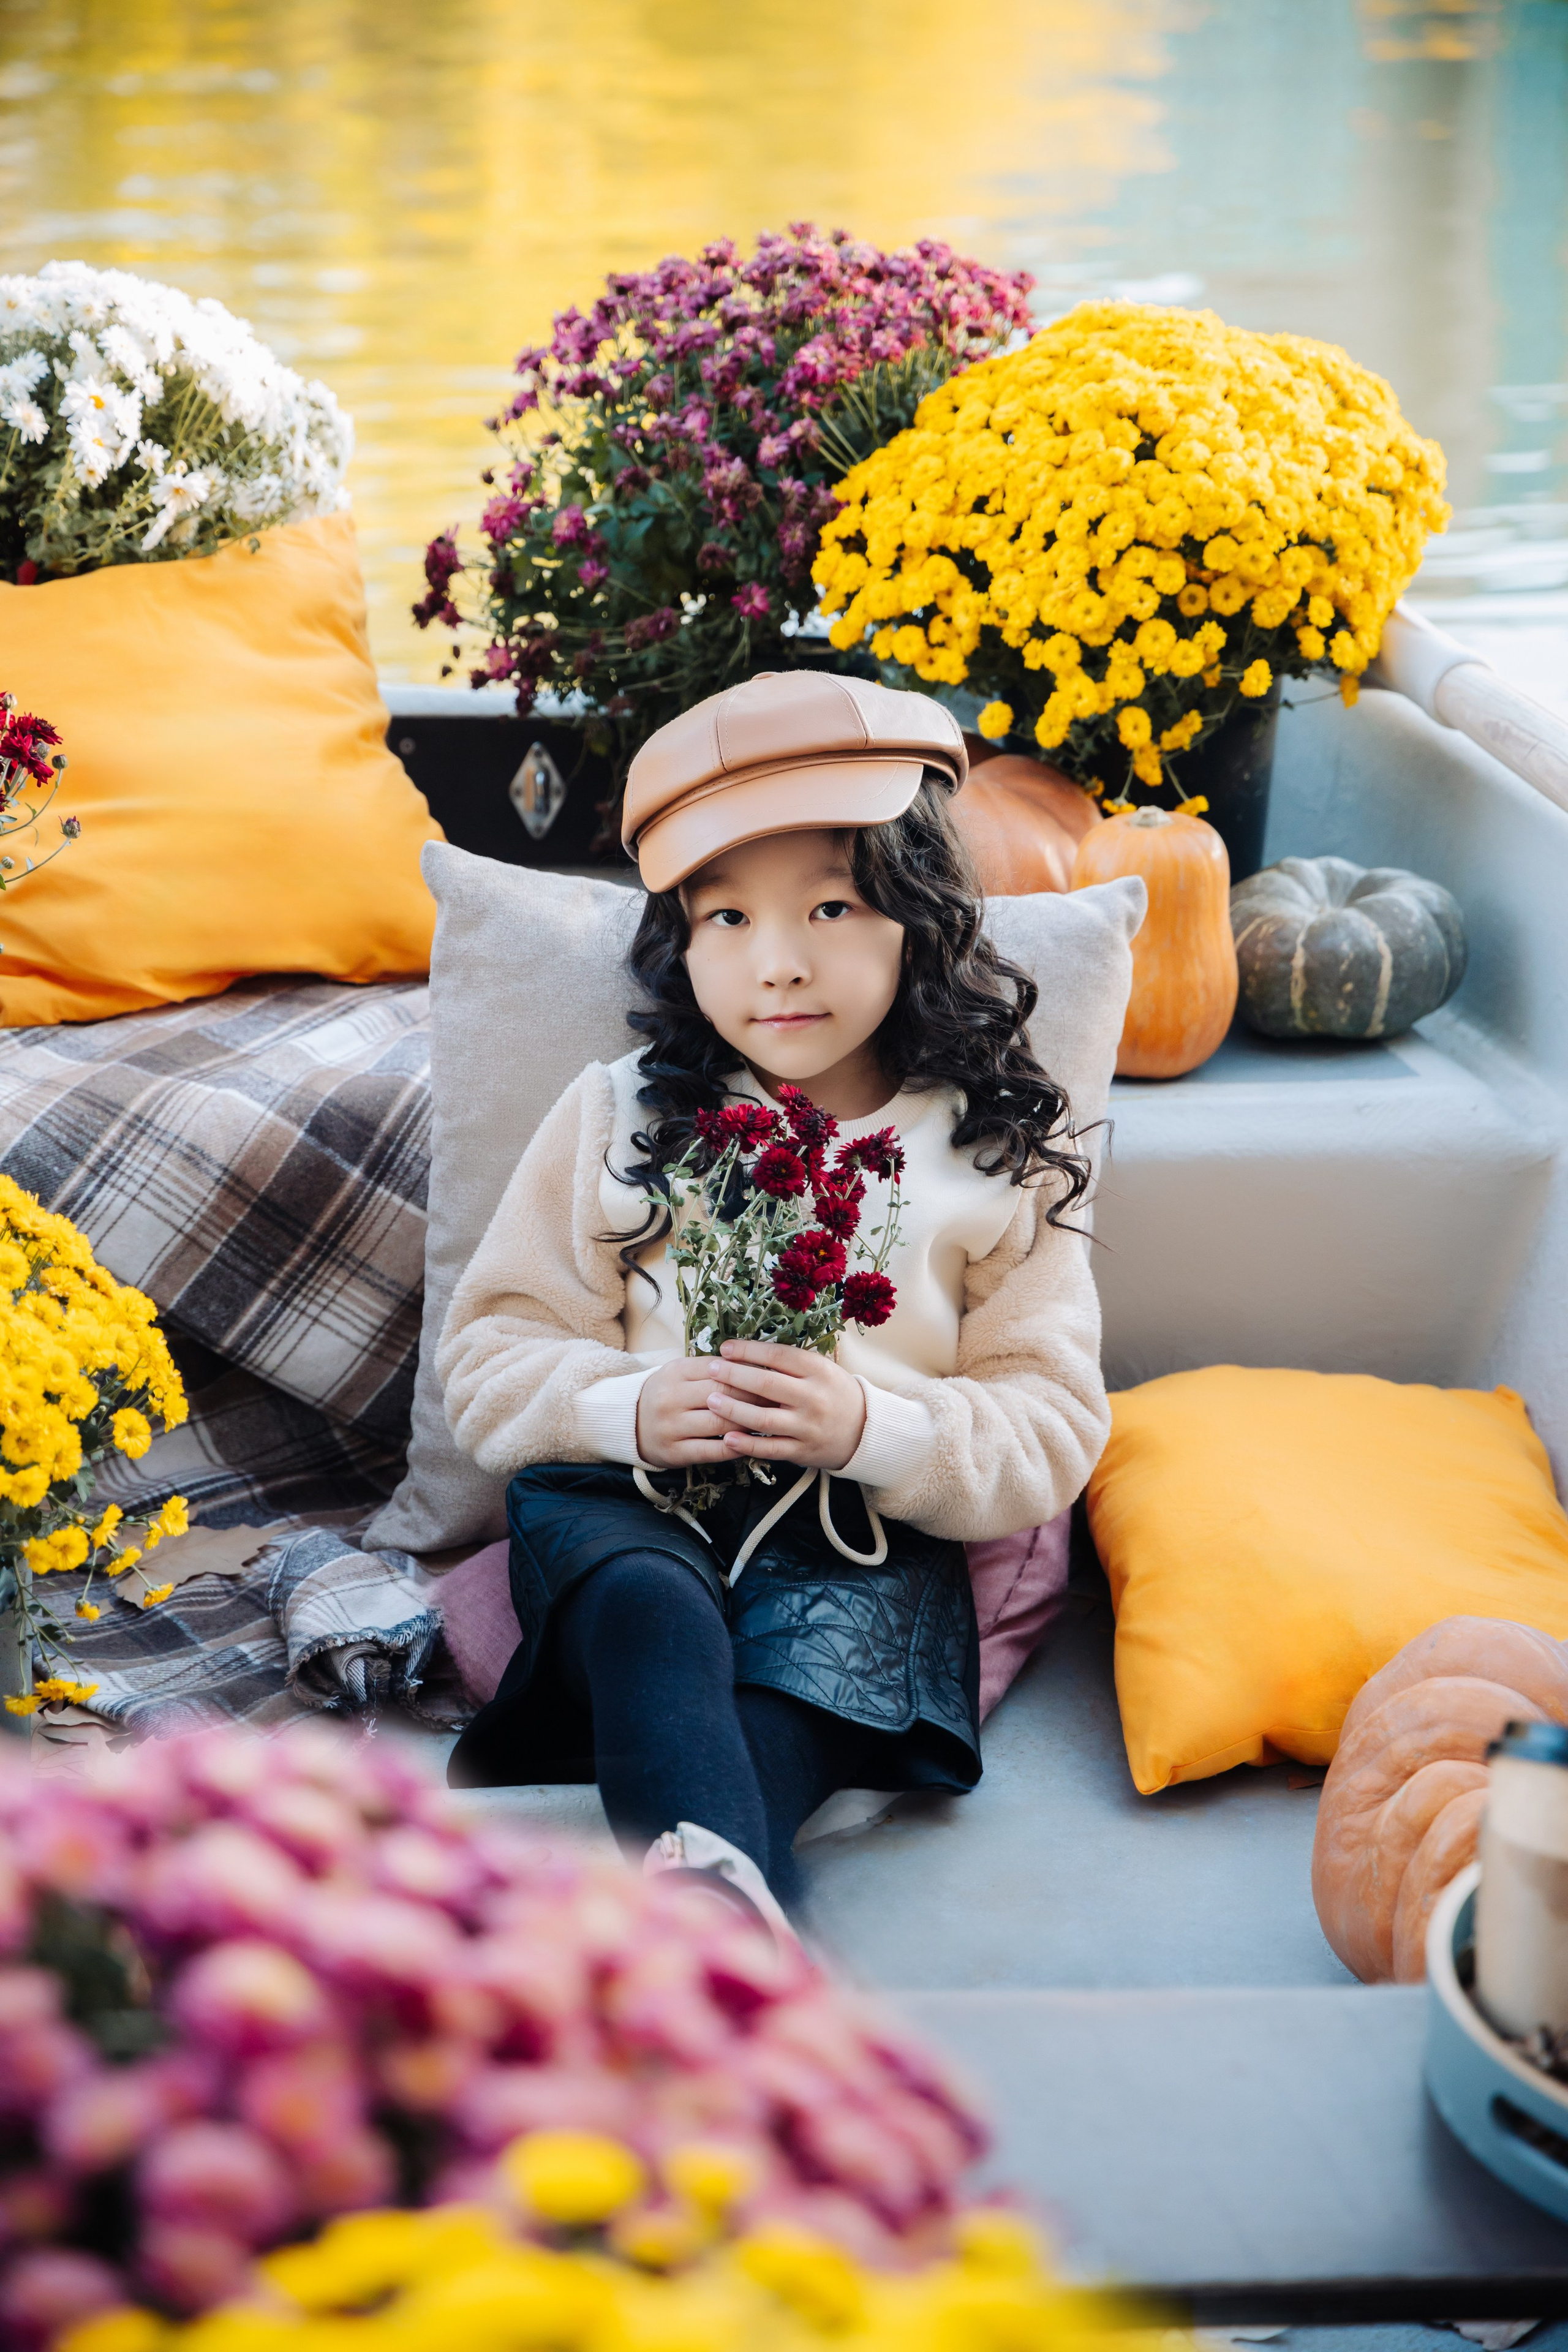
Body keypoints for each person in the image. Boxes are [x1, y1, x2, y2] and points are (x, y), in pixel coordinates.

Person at [440, 669, 1109, 1929]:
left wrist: (873, 1429)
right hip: (624, 1510)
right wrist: (627, 1408)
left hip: (858, 1540)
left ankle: (717, 1934)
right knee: (649, 1605)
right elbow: (490, 1356)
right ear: (677, 940)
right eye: (726, 920)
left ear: (916, 914)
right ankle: (732, 1937)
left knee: (795, 1694)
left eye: (830, 905)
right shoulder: (621, 1114)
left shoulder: (989, 1150)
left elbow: (1050, 1423)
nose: (779, 963)